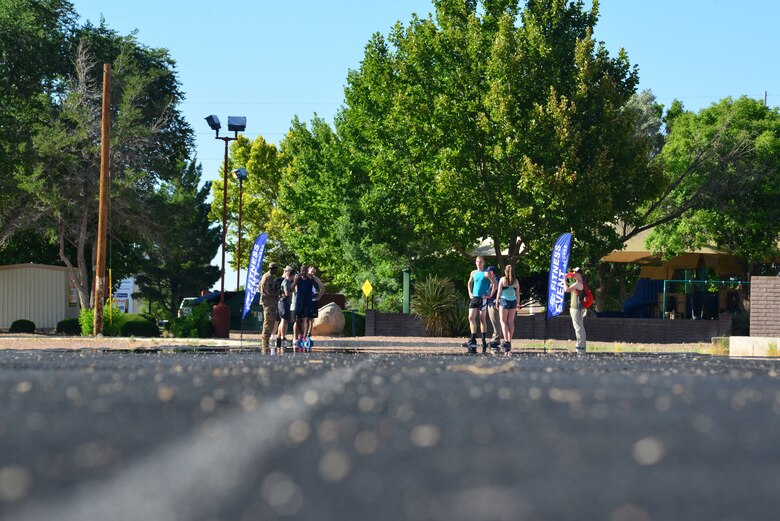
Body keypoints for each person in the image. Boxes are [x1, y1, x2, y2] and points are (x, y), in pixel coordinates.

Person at [466, 256, 491, 353]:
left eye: (480, 262)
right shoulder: (473, 272)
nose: (478, 263)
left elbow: (495, 284)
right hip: (474, 297)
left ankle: (483, 339)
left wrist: (489, 294)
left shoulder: (486, 273)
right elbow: (469, 282)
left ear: (483, 263)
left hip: (483, 298)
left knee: (482, 319)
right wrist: (469, 292)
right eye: (477, 261)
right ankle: (473, 338)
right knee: (471, 317)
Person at [496, 264, 521, 356]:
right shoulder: (516, 281)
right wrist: (518, 303)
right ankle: (509, 342)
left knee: (503, 322)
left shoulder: (503, 280)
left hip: (504, 301)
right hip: (513, 302)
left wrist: (497, 302)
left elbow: (499, 292)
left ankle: (506, 341)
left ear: (505, 271)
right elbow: (518, 294)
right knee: (510, 322)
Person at [564, 266, 587, 354]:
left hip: (576, 308)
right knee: (580, 328)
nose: (573, 273)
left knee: (578, 329)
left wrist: (564, 279)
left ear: (580, 274)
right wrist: (569, 276)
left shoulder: (578, 284)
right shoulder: (581, 283)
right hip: (579, 308)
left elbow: (566, 289)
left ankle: (580, 350)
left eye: (575, 272)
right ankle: (581, 349)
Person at [259, 262, 280, 351]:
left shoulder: (270, 277)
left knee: (270, 322)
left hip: (270, 302)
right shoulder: (268, 277)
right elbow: (268, 290)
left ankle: (266, 342)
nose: (276, 270)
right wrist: (277, 293)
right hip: (268, 302)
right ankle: (265, 344)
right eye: (276, 269)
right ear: (273, 268)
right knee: (268, 322)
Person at [485, 266, 504, 354]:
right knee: (495, 322)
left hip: (493, 304)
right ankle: (496, 339)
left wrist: (497, 299)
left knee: (496, 322)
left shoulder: (495, 280)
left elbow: (498, 290)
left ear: (491, 272)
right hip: (491, 303)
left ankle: (496, 340)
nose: (487, 274)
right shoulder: (494, 280)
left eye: (488, 272)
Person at [276, 266, 295, 348]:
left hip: (283, 302)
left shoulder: (286, 282)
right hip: (284, 302)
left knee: (283, 320)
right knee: (284, 320)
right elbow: (287, 293)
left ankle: (279, 339)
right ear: (292, 275)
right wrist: (292, 291)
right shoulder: (286, 282)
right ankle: (283, 338)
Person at [305, 266, 326, 338]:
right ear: (308, 269)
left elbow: (322, 288)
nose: (312, 273)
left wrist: (319, 297)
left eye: (314, 272)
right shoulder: (303, 277)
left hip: (313, 300)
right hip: (305, 300)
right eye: (311, 271)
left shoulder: (316, 279)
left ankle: (309, 333)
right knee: (304, 318)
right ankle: (303, 333)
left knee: (311, 318)